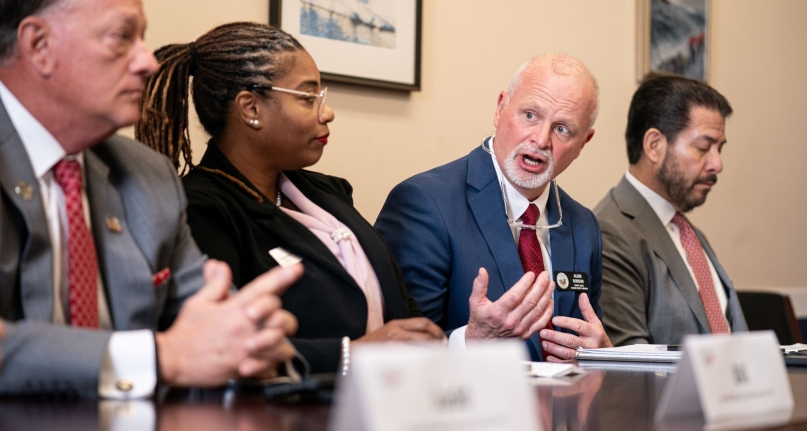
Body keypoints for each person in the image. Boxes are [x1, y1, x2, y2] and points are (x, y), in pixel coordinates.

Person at [0, 0, 300, 399]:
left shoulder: (148, 175)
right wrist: (162, 356)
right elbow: (175, 355)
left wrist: (252, 342)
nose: (148, 62)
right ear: (39, 45)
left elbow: (214, 329)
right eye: (121, 37)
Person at [136, 22, 444, 374]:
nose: (326, 112)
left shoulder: (330, 192)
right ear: (251, 108)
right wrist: (351, 354)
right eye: (308, 97)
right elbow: (223, 345)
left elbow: (400, 305)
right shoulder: (201, 210)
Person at [375, 54, 611, 361]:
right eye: (530, 115)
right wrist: (470, 341)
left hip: (561, 409)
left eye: (562, 129)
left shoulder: (584, 226)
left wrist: (603, 355)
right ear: (500, 108)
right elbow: (393, 353)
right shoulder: (425, 204)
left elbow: (589, 338)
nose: (540, 139)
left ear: (584, 142)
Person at [593, 74, 748, 346]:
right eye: (703, 147)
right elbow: (628, 365)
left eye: (720, 149)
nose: (717, 164)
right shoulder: (609, 232)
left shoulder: (689, 233)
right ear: (654, 145)